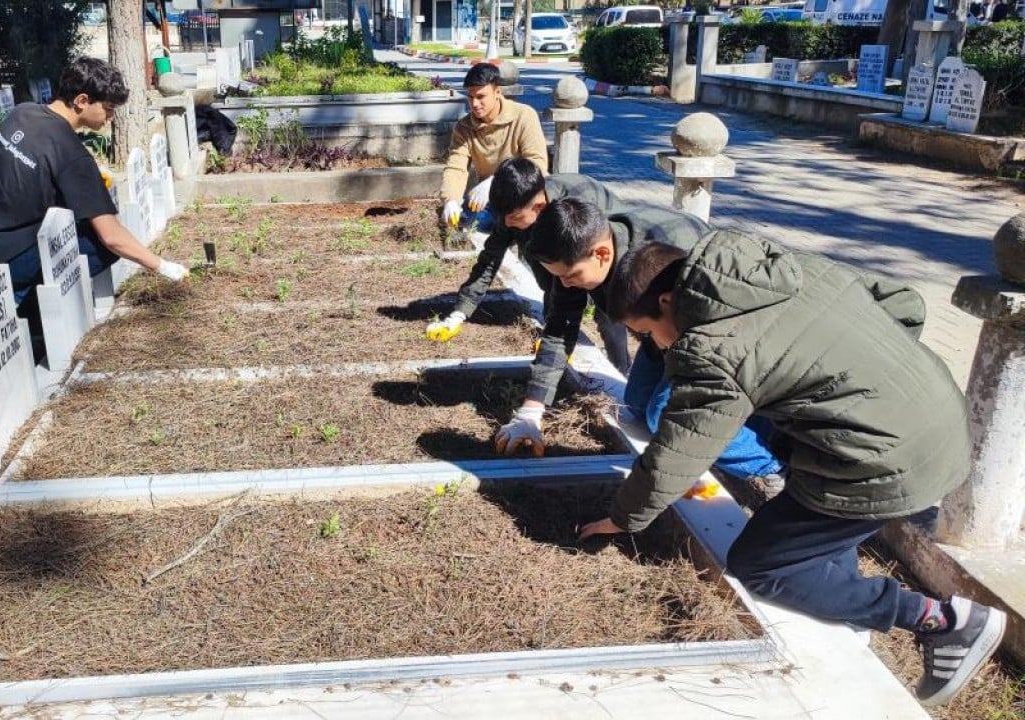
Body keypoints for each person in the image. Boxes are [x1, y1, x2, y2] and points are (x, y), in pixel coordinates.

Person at [583, 236, 1006, 708]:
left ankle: (939, 619)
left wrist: (622, 518)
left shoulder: (710, 348)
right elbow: (902, 302)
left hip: (886, 464)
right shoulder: (781, 268)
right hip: (940, 417)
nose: (655, 346)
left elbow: (677, 454)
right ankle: (840, 607)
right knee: (805, 518)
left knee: (760, 564)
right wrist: (870, 380)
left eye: (648, 333)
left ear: (667, 301)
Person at [500, 197, 786, 495]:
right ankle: (738, 429)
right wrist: (531, 411)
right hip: (661, 337)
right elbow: (559, 330)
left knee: (663, 412)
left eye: (570, 276)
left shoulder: (671, 257)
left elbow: (711, 335)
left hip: (715, 334)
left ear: (601, 253)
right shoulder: (575, 254)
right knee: (636, 403)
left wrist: (675, 464)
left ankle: (769, 466)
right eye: (559, 276)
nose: (566, 284)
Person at [0, 57, 187, 311]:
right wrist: (162, 266)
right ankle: (28, 303)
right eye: (108, 108)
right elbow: (111, 237)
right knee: (101, 247)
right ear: (82, 101)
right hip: (3, 260)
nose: (110, 118)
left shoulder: (22, 113)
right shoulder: (73, 154)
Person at [425, 158, 620, 342]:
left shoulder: (576, 207)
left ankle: (622, 368)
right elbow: (489, 260)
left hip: (604, 252)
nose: (508, 223)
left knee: (610, 313)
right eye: (505, 217)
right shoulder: (515, 211)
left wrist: (559, 337)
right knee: (552, 281)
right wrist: (459, 313)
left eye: (515, 218)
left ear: (539, 207)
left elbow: (576, 278)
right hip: (563, 250)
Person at [439, 63, 548, 232]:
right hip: (492, 200)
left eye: (481, 96)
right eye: (470, 97)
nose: (474, 103)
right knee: (466, 220)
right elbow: (456, 167)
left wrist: (496, 181)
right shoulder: (464, 127)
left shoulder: (524, 116)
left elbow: (537, 163)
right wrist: (451, 200)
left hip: (527, 197)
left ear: (498, 92)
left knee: (533, 228)